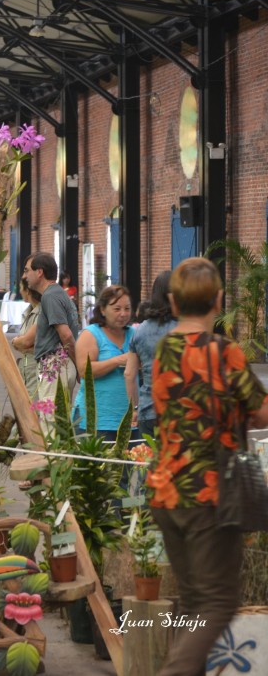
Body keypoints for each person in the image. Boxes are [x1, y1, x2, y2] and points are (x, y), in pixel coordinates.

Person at [148, 257, 268, 675]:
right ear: (219, 300)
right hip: (208, 494)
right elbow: (261, 411)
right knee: (218, 602)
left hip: (165, 490)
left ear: (173, 302)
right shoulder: (225, 352)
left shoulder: (164, 349)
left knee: (195, 601)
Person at [71, 285, 134, 438]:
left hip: (129, 419)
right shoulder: (91, 334)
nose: (123, 314)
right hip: (96, 420)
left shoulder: (134, 333)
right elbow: (84, 370)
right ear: (103, 310)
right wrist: (118, 360)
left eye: (127, 308)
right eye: (117, 309)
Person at [23, 252, 79, 414]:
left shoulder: (50, 296)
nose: (24, 276)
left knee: (51, 424)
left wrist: (79, 366)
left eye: (27, 271)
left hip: (54, 368)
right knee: (59, 421)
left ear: (39, 272)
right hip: (61, 366)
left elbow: (66, 335)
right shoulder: (59, 294)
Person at [125, 270, 175, 438]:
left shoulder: (140, 331)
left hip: (148, 411)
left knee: (149, 462)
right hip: (178, 412)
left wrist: (134, 408)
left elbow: (129, 374)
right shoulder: (186, 328)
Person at [11, 277, 43, 402]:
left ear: (28, 290)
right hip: (26, 370)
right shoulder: (27, 312)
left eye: (21, 288)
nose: (20, 291)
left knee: (34, 409)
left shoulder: (41, 313)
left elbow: (26, 342)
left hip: (36, 371)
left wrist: (16, 341)